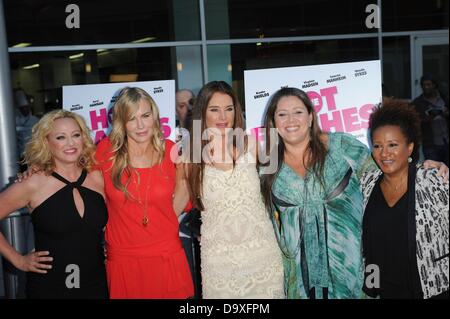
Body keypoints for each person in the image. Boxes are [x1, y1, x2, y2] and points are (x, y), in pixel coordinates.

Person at [260, 87, 448, 299]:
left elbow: (387, 170)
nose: (291, 120)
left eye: (298, 112)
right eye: (282, 114)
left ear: (311, 117)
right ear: (273, 122)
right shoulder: (267, 168)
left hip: (353, 279)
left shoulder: (342, 147)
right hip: (300, 284)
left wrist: (424, 168)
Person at [184, 81, 284, 299]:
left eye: (229, 109)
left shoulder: (252, 146)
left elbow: (279, 187)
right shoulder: (190, 157)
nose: (223, 116)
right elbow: (172, 207)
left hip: (263, 257)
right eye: (214, 110)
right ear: (202, 112)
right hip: (219, 264)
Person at [95, 87, 194, 299]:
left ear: (155, 116)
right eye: (132, 118)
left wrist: (164, 222)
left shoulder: (171, 151)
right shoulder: (105, 153)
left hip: (166, 257)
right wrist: (34, 170)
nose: (140, 125)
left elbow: (185, 191)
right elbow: (70, 172)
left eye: (146, 116)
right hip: (124, 262)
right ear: (121, 122)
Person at [0, 110, 108, 299]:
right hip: (50, 287)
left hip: (96, 282)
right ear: (47, 142)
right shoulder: (33, 182)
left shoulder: (97, 177)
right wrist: (18, 260)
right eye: (60, 137)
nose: (71, 143)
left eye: (76, 135)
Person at [361, 99, 448, 299]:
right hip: (386, 291)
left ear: (409, 147)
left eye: (393, 144)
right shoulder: (366, 184)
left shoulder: (433, 180)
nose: (384, 153)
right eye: (377, 145)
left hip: (432, 288)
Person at [412, 74, 449, 165]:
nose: (426, 87)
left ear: (434, 85)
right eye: (424, 85)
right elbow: (414, 121)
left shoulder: (444, 98)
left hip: (446, 140)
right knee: (434, 171)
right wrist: (428, 118)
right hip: (430, 144)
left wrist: (446, 114)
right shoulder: (418, 103)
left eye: (428, 84)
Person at [14, 89, 39, 172]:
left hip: (33, 152)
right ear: (19, 109)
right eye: (22, 108)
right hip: (20, 153)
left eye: (26, 108)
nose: (25, 110)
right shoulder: (16, 120)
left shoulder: (35, 119)